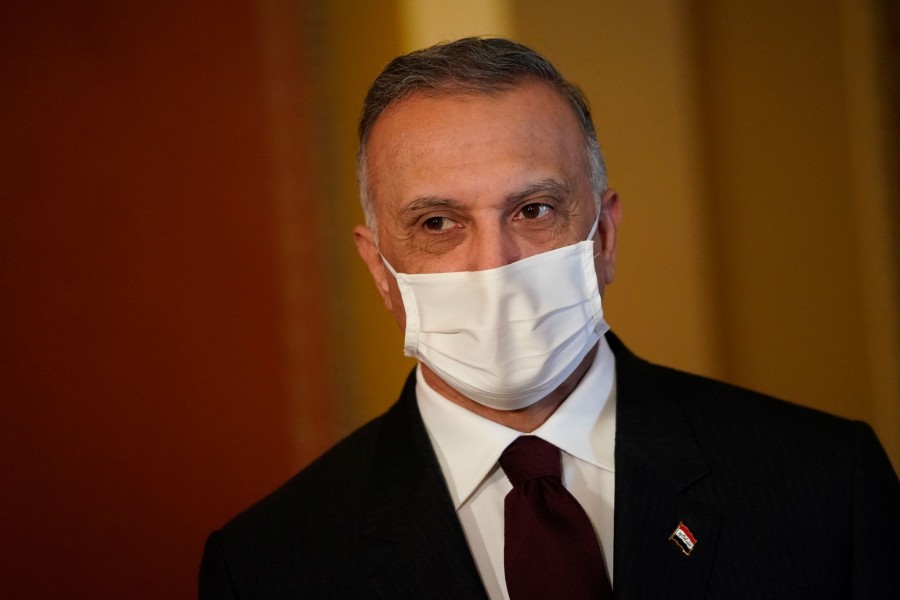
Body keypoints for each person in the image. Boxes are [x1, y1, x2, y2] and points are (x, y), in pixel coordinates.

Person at [199, 37, 899, 599]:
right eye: (438, 222)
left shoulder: (828, 486)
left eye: (533, 211)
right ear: (381, 271)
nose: (495, 265)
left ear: (603, 237)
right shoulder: (270, 565)